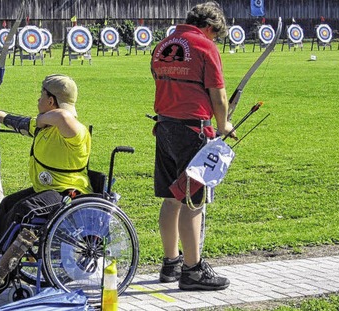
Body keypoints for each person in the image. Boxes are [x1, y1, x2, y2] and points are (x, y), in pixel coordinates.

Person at [0, 74, 93, 284]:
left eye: (41, 96)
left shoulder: (75, 131)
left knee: (23, 210)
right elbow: (22, 123)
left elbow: (63, 118)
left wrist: (41, 119)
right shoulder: (46, 127)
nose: (37, 101)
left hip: (67, 193)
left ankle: (0, 272)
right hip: (47, 190)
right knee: (7, 204)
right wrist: (0, 117)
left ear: (51, 101)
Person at [150, 1, 236, 291]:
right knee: (192, 199)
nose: (215, 40)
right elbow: (218, 93)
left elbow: (161, 81)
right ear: (209, 28)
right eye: (215, 35)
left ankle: (170, 263)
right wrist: (224, 124)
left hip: (164, 128)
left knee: (171, 197)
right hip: (192, 131)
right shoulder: (204, 46)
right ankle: (193, 270)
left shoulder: (164, 44)